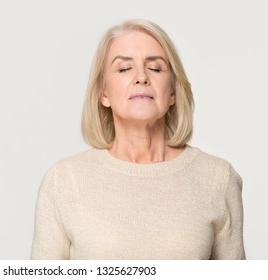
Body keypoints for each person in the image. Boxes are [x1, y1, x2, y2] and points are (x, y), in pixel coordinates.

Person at [31, 19, 245, 260]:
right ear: (103, 93)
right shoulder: (64, 180)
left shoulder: (218, 178)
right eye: (124, 69)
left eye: (155, 68)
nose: (141, 77)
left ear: (173, 91)